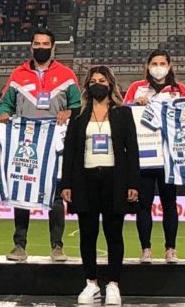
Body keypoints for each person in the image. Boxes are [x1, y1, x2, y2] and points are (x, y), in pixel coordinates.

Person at [0, 28, 80, 262]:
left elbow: (78, 107)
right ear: (31, 46)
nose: (41, 47)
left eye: (46, 44)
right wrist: (3, 114)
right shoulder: (18, 74)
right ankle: (19, 246)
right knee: (21, 194)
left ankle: (57, 247)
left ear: (53, 47)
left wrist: (69, 111)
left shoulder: (66, 75)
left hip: (54, 144)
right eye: (37, 43)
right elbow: (5, 106)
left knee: (55, 197)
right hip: (26, 143)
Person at [61, 66, 139, 305]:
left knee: (114, 234)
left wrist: (133, 183)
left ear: (110, 84)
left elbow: (132, 151)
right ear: (87, 86)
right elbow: (70, 152)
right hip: (85, 180)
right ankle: (91, 283)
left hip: (115, 179)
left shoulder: (123, 113)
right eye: (93, 80)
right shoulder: (78, 114)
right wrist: (67, 183)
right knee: (88, 234)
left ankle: (114, 284)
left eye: (102, 80)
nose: (97, 84)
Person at [123, 49, 184, 263]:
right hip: (144, 155)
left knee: (170, 202)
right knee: (143, 203)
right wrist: (134, 104)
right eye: (154, 63)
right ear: (147, 66)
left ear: (169, 66)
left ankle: (170, 249)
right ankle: (146, 249)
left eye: (162, 63)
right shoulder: (135, 88)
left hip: (169, 156)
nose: (158, 67)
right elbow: (123, 117)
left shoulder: (180, 90)